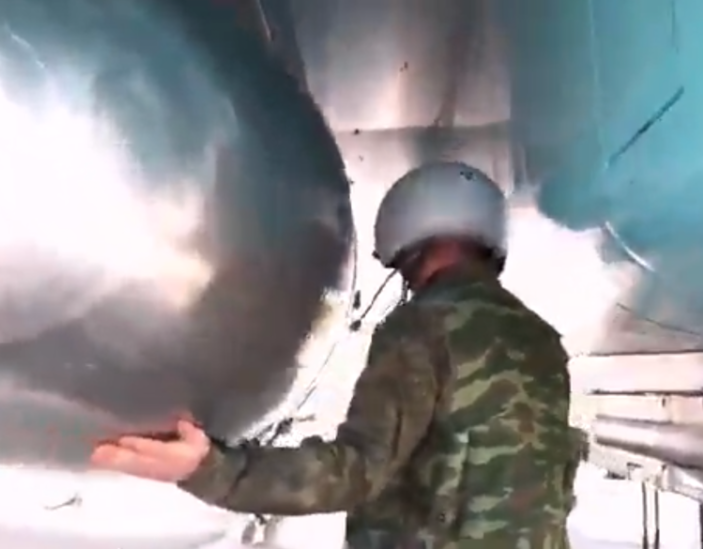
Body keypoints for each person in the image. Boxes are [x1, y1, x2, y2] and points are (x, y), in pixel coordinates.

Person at [90, 161, 580, 549]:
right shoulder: (543, 342)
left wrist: (211, 470)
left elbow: (356, 470)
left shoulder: (423, 327)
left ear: (410, 240)